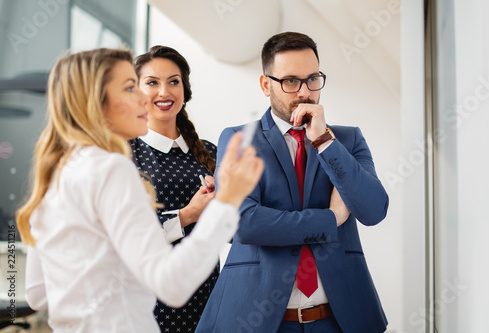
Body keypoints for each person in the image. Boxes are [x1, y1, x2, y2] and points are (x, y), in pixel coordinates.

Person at [16, 48, 264, 333]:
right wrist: (226, 202)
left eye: (173, 81)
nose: (144, 99)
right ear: (96, 100)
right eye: (132, 87)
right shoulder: (113, 167)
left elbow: (38, 292)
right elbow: (171, 285)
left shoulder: (59, 169)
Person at [196, 32, 389, 333]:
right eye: (290, 81)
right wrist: (332, 218)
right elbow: (244, 223)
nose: (304, 92)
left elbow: (374, 209)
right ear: (265, 85)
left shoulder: (347, 140)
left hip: (338, 320)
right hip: (256, 318)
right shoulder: (238, 140)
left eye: (313, 79)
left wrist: (325, 143)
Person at [130, 45, 220, 332]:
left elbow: (230, 232)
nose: (164, 92)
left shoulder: (209, 151)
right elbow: (128, 241)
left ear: (185, 88)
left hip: (208, 296)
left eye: (173, 81)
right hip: (149, 302)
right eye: (152, 83)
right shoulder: (124, 154)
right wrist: (188, 215)